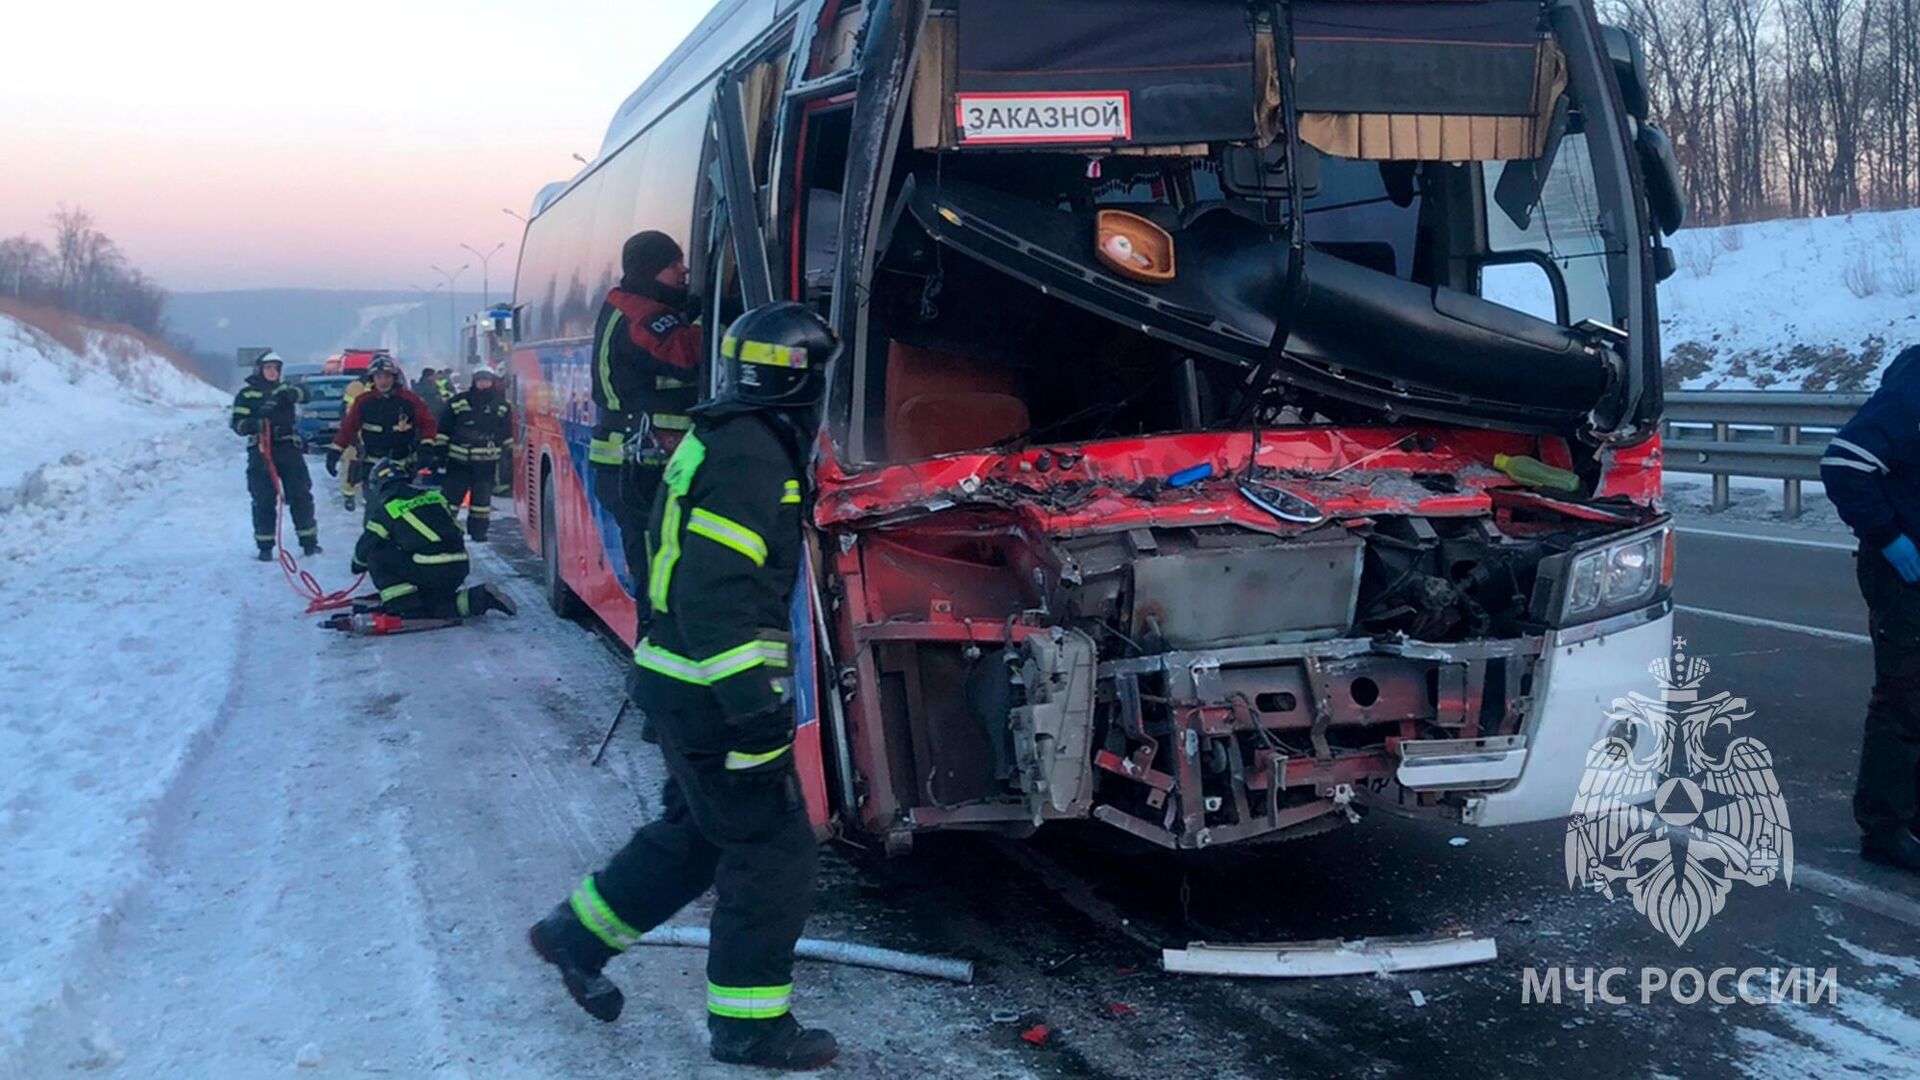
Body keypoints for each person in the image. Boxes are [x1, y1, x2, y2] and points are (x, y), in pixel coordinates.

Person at [528, 303, 835, 1070]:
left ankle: (574, 937)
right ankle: (749, 1028)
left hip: (680, 685)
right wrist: (755, 708)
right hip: (710, 696)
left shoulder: (729, 435)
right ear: (804, 383)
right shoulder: (753, 459)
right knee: (773, 851)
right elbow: (715, 593)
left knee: (700, 835)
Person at [1823, 343, 1920, 874]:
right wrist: (1889, 537)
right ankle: (1885, 828)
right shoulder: (1913, 391)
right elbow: (1844, 463)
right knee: (1906, 698)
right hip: (1904, 573)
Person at [588, 230, 702, 634]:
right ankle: (656, 669)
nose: (684, 270)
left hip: (632, 467)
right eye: (674, 264)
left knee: (659, 569)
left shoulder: (629, 305)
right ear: (652, 269)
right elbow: (688, 356)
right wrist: (714, 315)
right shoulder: (644, 316)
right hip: (638, 470)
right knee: (660, 576)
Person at [350, 458, 517, 620]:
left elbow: (365, 548)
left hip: (429, 568)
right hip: (458, 567)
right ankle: (480, 598)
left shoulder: (388, 509)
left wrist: (358, 564)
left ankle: (405, 606)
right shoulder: (435, 496)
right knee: (436, 606)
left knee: (377, 556)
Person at [230, 350, 320, 560]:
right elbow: (237, 423)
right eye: (268, 368)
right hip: (261, 450)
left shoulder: (285, 389)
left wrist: (292, 393)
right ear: (259, 369)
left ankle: (309, 542)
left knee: (300, 495)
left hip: (288, 448)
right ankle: (265, 546)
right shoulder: (246, 395)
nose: (272, 372)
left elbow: (306, 394)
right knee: (263, 499)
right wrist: (254, 424)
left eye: (276, 369)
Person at [327, 357, 437, 492]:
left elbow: (427, 423)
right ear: (372, 379)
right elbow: (348, 428)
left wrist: (427, 446)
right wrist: (335, 451)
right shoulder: (364, 401)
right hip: (372, 464)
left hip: (403, 464)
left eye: (387, 377)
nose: (383, 381)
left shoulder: (409, 399)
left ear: (394, 378)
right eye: (378, 377)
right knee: (374, 506)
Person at [431, 367, 514, 541]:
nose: (483, 384)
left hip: (486, 463)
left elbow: (506, 432)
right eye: (480, 380)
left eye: (487, 381)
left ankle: (478, 533)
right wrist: (439, 451)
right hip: (458, 461)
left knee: (481, 503)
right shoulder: (458, 402)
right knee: (451, 500)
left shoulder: (501, 406)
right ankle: (444, 529)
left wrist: (509, 456)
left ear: (492, 382)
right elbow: (444, 428)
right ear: (474, 382)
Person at [339, 374, 370, 511]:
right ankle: (349, 495)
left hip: (373, 432)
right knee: (352, 462)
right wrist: (353, 437)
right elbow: (349, 411)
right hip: (356, 431)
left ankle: (368, 496)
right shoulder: (356, 387)